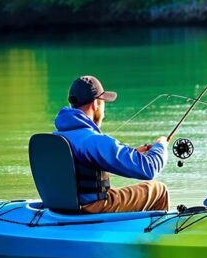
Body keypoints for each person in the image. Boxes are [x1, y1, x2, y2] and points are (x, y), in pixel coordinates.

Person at [53, 75, 170, 213]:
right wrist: (160, 146)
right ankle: (152, 233)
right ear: (96, 104)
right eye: (103, 104)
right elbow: (149, 169)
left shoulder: (57, 136)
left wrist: (133, 153)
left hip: (61, 207)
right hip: (90, 208)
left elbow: (79, 171)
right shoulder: (92, 140)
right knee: (158, 190)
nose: (104, 112)